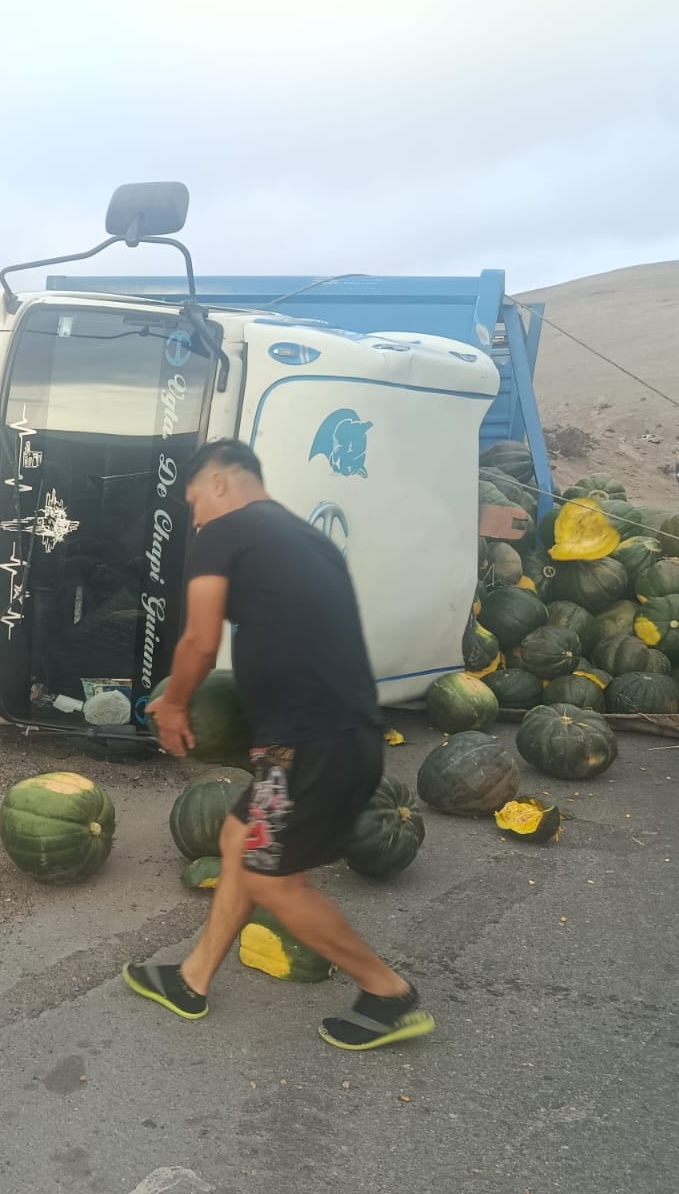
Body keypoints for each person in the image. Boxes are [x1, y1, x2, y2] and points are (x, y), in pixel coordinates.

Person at [126, 438, 433, 1051]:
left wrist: (175, 704)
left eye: (194, 504)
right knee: (239, 840)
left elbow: (199, 641)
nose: (195, 521)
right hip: (335, 735)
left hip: (307, 745)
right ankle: (192, 979)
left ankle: (387, 993)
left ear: (218, 483)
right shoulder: (309, 539)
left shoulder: (225, 531)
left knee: (271, 880)